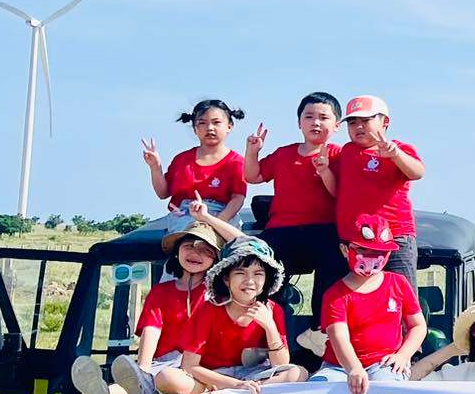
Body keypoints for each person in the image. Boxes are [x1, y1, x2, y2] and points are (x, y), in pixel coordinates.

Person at [70, 206, 244, 394]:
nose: (195, 253)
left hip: (202, 367)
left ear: (217, 259)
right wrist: (142, 370)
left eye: (206, 250)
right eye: (188, 246)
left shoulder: (220, 292)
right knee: (145, 380)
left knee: (167, 379)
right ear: (177, 251)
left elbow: (247, 245)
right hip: (163, 365)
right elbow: (152, 330)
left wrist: (206, 217)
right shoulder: (161, 291)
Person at [162, 237, 309, 394]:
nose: (250, 281)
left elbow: (281, 364)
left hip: (256, 376)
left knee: (298, 373)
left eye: (258, 274)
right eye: (241, 273)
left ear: (267, 279)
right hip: (214, 376)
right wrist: (237, 385)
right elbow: (189, 366)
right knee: (167, 377)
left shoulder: (273, 309)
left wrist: (269, 326)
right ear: (226, 278)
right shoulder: (208, 309)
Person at [245, 93, 345, 297]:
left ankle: (321, 325)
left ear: (337, 125)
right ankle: (268, 324)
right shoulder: (283, 154)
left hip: (324, 228)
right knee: (266, 280)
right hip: (281, 229)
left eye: (324, 117)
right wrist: (252, 152)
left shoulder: (340, 154)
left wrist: (325, 171)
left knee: (331, 279)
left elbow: (340, 194)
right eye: (308, 116)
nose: (315, 122)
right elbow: (253, 176)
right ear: (299, 123)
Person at [315, 215, 426, 394]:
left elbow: (418, 326)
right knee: (318, 390)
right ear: (344, 250)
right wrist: (354, 368)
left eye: (379, 253)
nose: (372, 257)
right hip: (338, 367)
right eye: (363, 250)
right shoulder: (335, 294)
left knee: (386, 391)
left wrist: (403, 356)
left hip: (384, 364)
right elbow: (339, 337)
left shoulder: (398, 283)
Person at [333, 96, 425, 280]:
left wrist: (395, 155)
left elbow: (418, 172)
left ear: (385, 122)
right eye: (352, 122)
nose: (358, 126)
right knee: (353, 299)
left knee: (401, 297)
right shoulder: (346, 152)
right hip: (354, 240)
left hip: (394, 236)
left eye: (366, 120)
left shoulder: (399, 148)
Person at [144, 99, 249, 220]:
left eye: (216, 122)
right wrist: (155, 167)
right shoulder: (182, 160)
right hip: (183, 218)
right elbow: (163, 193)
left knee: (198, 238)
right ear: (195, 129)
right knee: (189, 237)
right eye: (202, 123)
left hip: (221, 217)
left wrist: (215, 223)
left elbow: (238, 198)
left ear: (229, 126)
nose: (210, 128)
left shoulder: (236, 162)